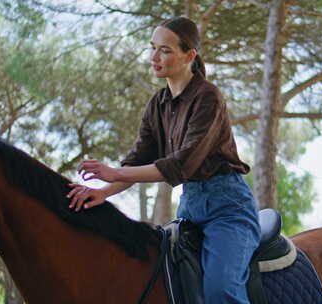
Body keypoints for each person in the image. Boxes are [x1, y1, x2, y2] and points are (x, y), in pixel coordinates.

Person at [66, 17, 261, 304]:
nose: (154, 57)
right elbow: (136, 161)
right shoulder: (157, 104)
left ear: (189, 55)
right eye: (152, 48)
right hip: (189, 209)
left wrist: (111, 173)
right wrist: (103, 193)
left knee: (221, 291)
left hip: (228, 209)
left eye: (165, 50)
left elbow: (180, 165)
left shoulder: (208, 98)